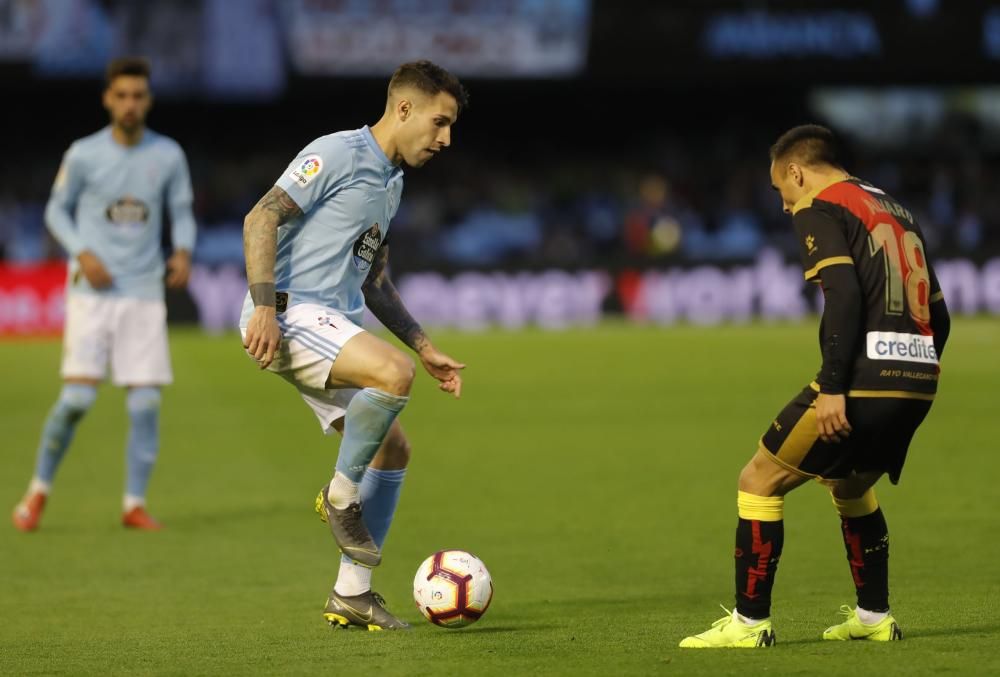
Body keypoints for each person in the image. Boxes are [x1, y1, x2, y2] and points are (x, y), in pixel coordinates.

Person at [679, 124, 951, 648]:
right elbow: (939, 317)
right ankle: (875, 619)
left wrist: (833, 387)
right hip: (919, 379)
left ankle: (749, 622)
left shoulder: (821, 205)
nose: (784, 205)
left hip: (863, 380)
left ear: (797, 172)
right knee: (849, 484)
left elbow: (843, 296)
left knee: (758, 479)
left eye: (781, 189)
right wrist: (917, 371)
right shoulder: (895, 208)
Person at [240, 60, 468, 631]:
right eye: (440, 123)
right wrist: (265, 307)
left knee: (393, 449)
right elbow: (260, 217)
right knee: (391, 376)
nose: (446, 139)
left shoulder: (391, 183)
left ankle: (353, 593)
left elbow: (373, 282)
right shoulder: (339, 153)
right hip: (289, 311)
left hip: (330, 323)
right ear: (404, 108)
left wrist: (422, 344)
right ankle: (340, 498)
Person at [11, 57, 196, 532]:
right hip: (91, 292)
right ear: (107, 99)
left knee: (145, 404)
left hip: (142, 291)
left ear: (148, 100)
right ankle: (37, 492)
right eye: (122, 95)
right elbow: (56, 212)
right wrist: (82, 252)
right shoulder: (84, 154)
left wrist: (183, 250)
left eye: (138, 95)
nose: (130, 104)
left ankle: (134, 503)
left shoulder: (168, 155)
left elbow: (182, 211)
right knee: (75, 400)